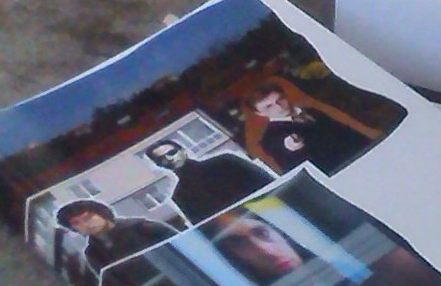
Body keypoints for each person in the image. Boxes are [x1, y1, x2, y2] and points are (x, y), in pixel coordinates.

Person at [241, 81, 372, 176]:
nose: (279, 107)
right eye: (269, 106)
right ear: (260, 113)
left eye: (280, 100)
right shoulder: (269, 140)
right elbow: (281, 148)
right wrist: (288, 144)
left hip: (364, 156)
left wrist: (371, 145)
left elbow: (345, 131)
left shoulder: (312, 111)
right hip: (340, 174)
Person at [52, 198, 177, 286]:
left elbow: (179, 246)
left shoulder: (141, 228)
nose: (85, 224)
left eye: (88, 217)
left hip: (178, 280)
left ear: (101, 214)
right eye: (76, 223)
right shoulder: (93, 253)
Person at [141, 134, 271, 221]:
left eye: (172, 152)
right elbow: (208, 225)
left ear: (183, 150)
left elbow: (268, 182)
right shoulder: (180, 196)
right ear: (159, 165)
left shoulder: (225, 161)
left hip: (270, 208)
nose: (169, 158)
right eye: (161, 158)